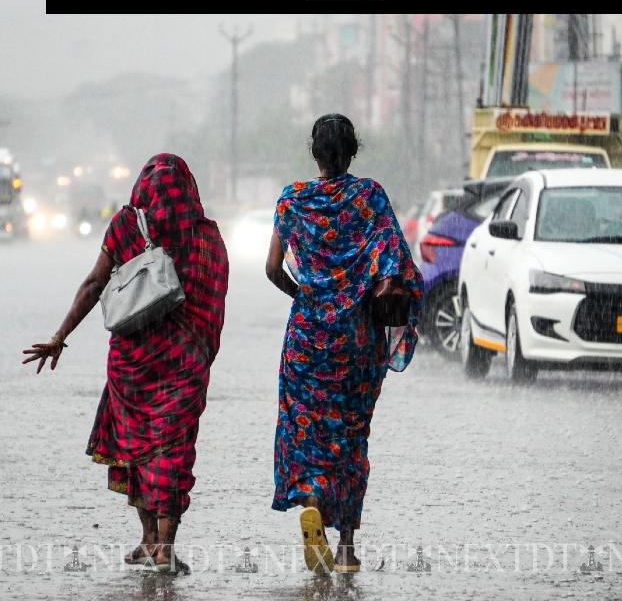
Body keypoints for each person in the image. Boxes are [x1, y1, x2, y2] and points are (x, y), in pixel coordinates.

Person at [22, 153, 228, 575]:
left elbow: (94, 284)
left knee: (137, 447)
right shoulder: (205, 235)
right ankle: (163, 547)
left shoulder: (124, 225)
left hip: (132, 365)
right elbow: (214, 293)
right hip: (184, 364)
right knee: (172, 450)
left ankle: (149, 538)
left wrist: (59, 337)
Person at [266, 115, 422, 575]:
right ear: (353, 151)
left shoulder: (293, 199)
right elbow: (396, 262)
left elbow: (272, 268)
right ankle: (347, 548)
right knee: (352, 435)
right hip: (356, 339)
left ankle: (312, 500)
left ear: (314, 152)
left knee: (305, 428)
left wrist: (307, 296)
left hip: (307, 339)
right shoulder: (369, 196)